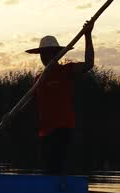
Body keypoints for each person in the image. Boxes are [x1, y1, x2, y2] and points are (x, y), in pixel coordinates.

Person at [25, 22, 94, 175]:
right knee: (48, 172)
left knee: (59, 169)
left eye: (49, 53)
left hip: (62, 129)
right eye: (43, 54)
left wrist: (88, 35)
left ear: (56, 54)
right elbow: (29, 103)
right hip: (44, 133)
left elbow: (89, 64)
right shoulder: (38, 79)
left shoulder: (66, 71)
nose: (45, 57)